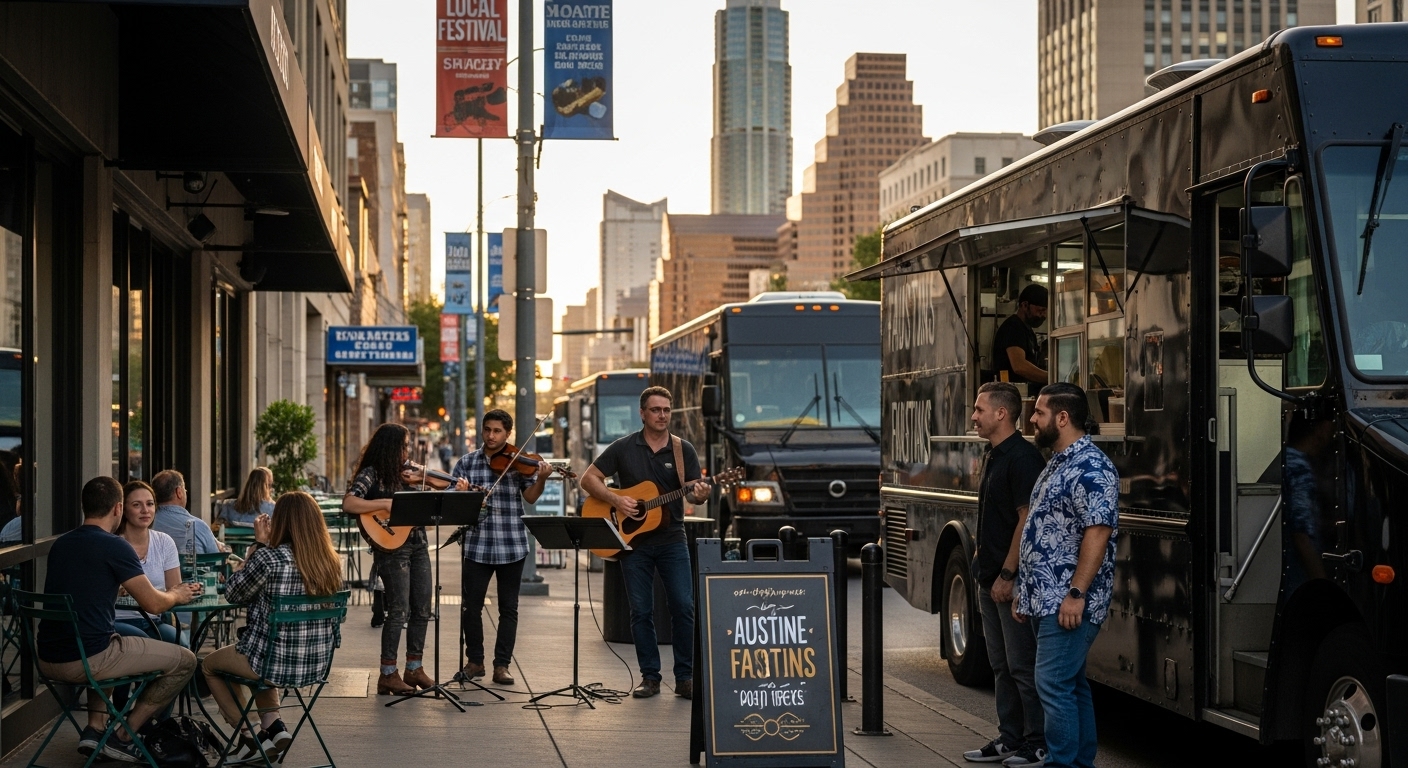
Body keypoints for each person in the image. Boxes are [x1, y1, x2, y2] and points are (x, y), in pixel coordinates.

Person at [37, 476, 200, 763]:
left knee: (111, 635)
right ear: (118, 509)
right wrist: (176, 594)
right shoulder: (115, 546)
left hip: (48, 657)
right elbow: (153, 603)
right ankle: (125, 735)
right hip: (90, 658)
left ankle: (95, 728)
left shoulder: (61, 544)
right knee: (185, 659)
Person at [1013, 383, 1119, 768]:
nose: (1032, 419)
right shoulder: (1058, 461)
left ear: (1062, 418)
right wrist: (1026, 594)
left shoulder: (1091, 465)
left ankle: (1065, 764)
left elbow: (1098, 531)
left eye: (1039, 413)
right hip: (1046, 598)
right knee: (1071, 685)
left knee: (1052, 684)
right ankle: (1079, 763)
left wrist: (1077, 593)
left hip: (1067, 599)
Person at [580, 386, 709, 700]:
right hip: (632, 543)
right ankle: (650, 677)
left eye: (666, 410)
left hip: (671, 539)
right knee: (641, 611)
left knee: (684, 606)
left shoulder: (683, 450)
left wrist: (700, 494)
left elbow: (693, 491)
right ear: (642, 413)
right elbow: (588, 478)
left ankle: (685, 678)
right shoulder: (624, 448)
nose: (662, 415)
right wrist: (616, 499)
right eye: (656, 410)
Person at [202, 492, 343, 764]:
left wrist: (258, 546)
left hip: (270, 664)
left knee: (209, 665)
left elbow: (233, 593)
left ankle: (250, 734)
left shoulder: (269, 558)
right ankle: (274, 728)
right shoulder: (331, 562)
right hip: (315, 664)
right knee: (265, 652)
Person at [343, 423, 466, 695]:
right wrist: (384, 504)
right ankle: (387, 673)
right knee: (398, 610)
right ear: (390, 447)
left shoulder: (410, 474)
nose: (407, 451)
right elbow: (350, 503)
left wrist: (445, 481)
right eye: (404, 446)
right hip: (391, 547)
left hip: (418, 544)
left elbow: (445, 485)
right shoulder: (372, 474)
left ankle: (414, 668)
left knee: (423, 608)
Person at [964, 383, 1048, 767]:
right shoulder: (993, 454)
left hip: (1008, 581)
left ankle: (1037, 742)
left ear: (1002, 414)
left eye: (980, 410)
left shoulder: (1023, 458)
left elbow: (1026, 519)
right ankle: (1009, 738)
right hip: (988, 577)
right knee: (999, 664)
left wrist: (1008, 574)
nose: (974, 416)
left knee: (1021, 665)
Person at [449, 409, 551, 686]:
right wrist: (460, 496)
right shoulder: (467, 463)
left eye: (497, 431)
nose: (491, 436)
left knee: (509, 608)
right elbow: (450, 503)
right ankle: (475, 661)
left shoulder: (517, 462)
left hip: (511, 544)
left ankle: (502, 665)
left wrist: (541, 478)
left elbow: (530, 497)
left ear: (508, 434)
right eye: (487, 430)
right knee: (471, 607)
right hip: (477, 545)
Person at [114, 481, 180, 644]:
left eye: (150, 504)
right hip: (117, 622)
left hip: (154, 621)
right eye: (137, 505)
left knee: (182, 645)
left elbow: (175, 589)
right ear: (123, 509)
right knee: (151, 644)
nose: (145, 510)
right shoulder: (113, 544)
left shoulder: (164, 542)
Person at [150, 469, 225, 555]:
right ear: (179, 492)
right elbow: (216, 559)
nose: (185, 492)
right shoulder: (197, 526)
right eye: (184, 489)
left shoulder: (146, 524)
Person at [993, 284, 1049, 386]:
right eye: (1040, 311)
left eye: (1045, 312)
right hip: (1011, 393)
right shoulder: (1013, 327)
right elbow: (1019, 366)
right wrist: (1051, 377)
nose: (1044, 316)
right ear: (1024, 305)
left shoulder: (1028, 331)